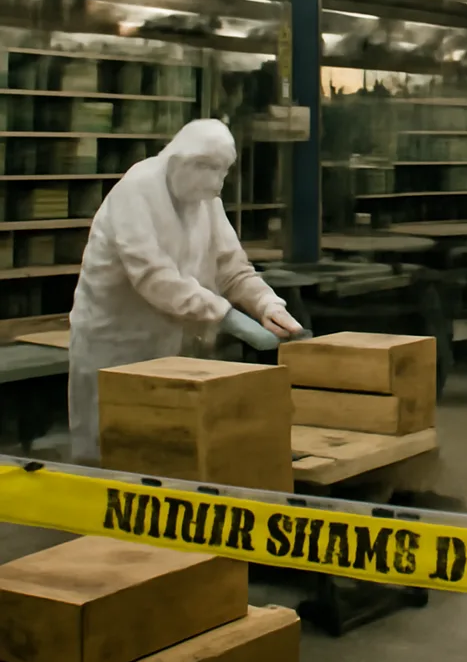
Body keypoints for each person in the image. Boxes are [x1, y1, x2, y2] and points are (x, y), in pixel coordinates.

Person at [68, 118, 302, 463]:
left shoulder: (206, 198)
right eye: (211, 172)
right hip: (117, 346)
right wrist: (225, 315)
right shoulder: (136, 191)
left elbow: (232, 267)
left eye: (223, 173)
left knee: (171, 452)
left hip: (174, 348)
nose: (217, 185)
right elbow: (153, 276)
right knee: (111, 452)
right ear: (183, 162)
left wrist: (266, 304)